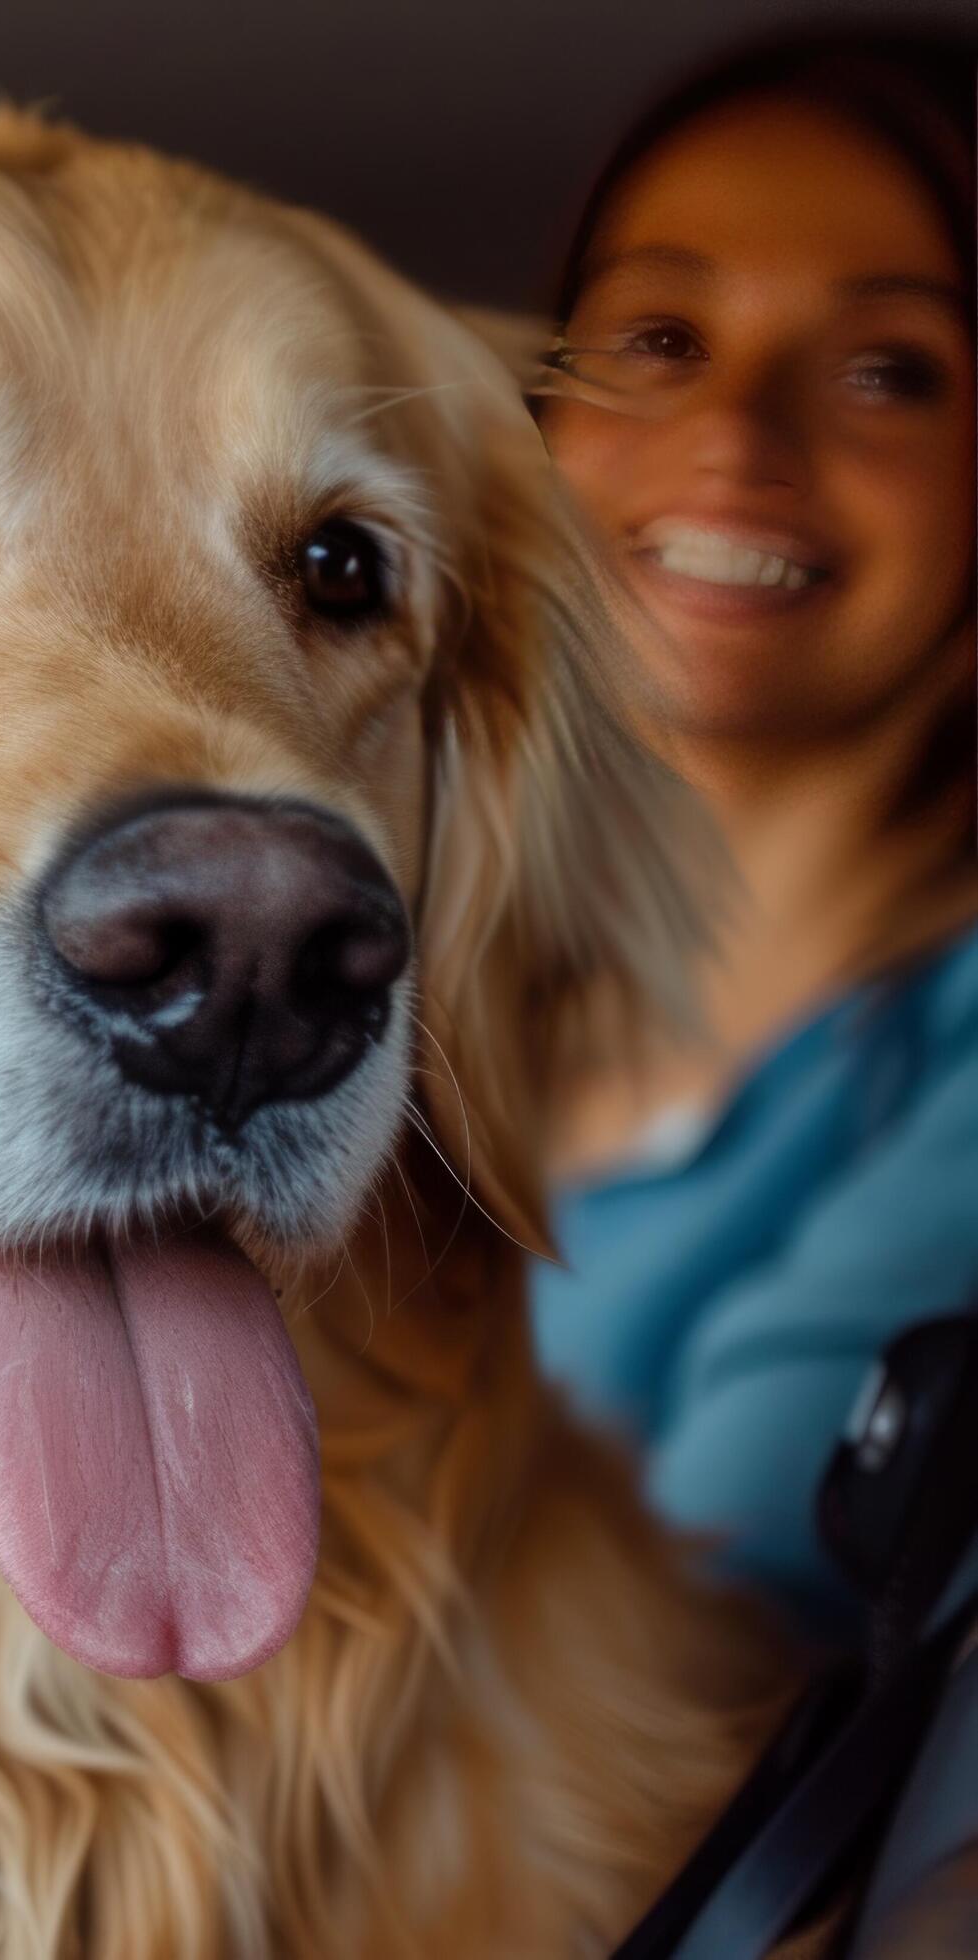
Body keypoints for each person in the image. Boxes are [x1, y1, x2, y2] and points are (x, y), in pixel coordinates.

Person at [532, 27, 977, 1629]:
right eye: (658, 337)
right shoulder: (386, 963)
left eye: (885, 371)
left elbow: (704, 1680)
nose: (736, 438)